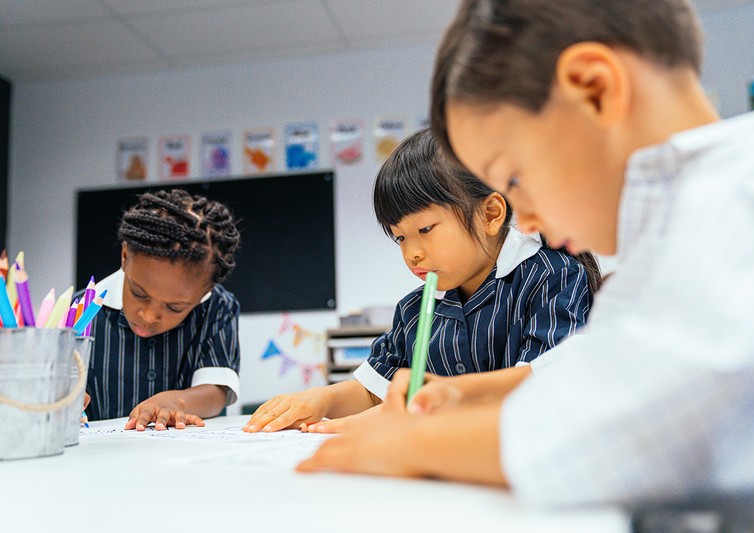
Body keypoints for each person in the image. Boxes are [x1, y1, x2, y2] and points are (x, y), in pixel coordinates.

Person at [296, 0, 754, 508]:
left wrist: (411, 444)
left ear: (595, 90)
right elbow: (604, 367)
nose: (527, 220)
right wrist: (466, 394)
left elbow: (637, 433)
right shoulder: (678, 225)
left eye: (513, 177)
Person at [244, 128, 600, 433]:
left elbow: (544, 384)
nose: (411, 254)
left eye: (425, 230)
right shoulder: (416, 309)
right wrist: (320, 399)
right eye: (400, 238)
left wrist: (415, 413)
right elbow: (374, 390)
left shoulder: (551, 277)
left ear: (490, 215)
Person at [84, 189, 242, 431]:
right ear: (125, 256)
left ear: (204, 292)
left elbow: (217, 391)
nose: (148, 316)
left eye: (174, 307)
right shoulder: (81, 311)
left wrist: (174, 402)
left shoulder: (218, 307)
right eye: (139, 293)